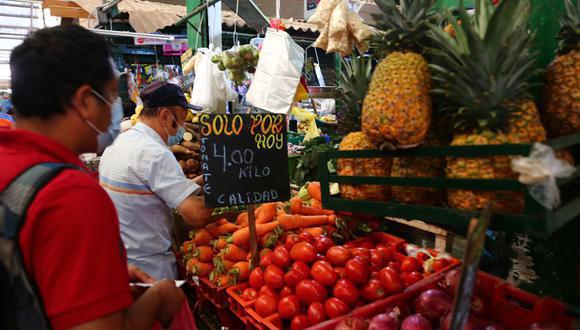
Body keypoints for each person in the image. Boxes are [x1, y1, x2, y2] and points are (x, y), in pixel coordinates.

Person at [1, 25, 185, 329]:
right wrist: (157, 299)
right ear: (85, 100)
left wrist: (106, 272)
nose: (116, 109)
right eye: (112, 95)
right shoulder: (71, 195)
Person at [99, 81, 213, 280]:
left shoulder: (119, 142)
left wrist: (204, 179)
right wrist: (227, 187)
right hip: (150, 269)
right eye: (181, 121)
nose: (183, 127)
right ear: (165, 116)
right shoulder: (156, 154)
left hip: (122, 261)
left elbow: (154, 188)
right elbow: (196, 216)